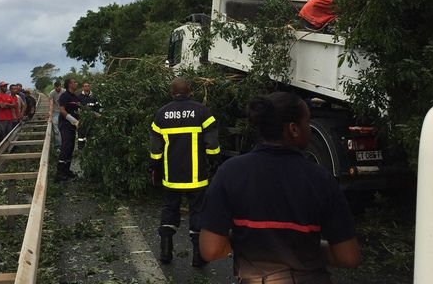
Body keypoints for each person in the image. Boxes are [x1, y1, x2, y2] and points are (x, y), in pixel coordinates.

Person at [199, 92, 360, 283]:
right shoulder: (321, 179)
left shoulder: (230, 172)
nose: (309, 128)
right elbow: (348, 257)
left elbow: (211, 250)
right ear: (293, 128)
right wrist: (303, 250)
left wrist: (248, 241)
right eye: (307, 121)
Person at [149, 77, 220, 266]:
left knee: (170, 209)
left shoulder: (161, 114)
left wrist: (154, 169)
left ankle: (165, 251)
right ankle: (198, 256)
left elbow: (155, 150)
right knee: (198, 212)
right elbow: (212, 145)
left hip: (171, 177)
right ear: (189, 91)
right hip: (197, 177)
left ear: (172, 93)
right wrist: (214, 163)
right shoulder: (202, 111)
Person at [56, 78, 80, 181]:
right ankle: (60, 173)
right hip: (65, 124)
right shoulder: (64, 96)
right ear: (70, 84)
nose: (76, 83)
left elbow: (79, 109)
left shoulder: (74, 96)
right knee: (66, 147)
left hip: (72, 126)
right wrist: (73, 120)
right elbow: (62, 110)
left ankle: (67, 171)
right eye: (75, 82)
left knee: (71, 147)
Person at [77, 81, 102, 149]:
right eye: (85, 86)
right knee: (81, 134)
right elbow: (77, 108)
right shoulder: (79, 97)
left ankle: (90, 148)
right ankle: (80, 148)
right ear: (83, 87)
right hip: (82, 119)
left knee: (91, 133)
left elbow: (98, 107)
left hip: (92, 119)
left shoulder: (94, 96)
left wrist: (98, 114)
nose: (86, 87)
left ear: (90, 87)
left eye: (88, 86)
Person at [48, 81, 63, 150]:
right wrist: (51, 117)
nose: (57, 89)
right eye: (56, 88)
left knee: (64, 129)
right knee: (56, 130)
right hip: (56, 112)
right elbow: (51, 104)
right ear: (54, 87)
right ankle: (58, 146)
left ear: (61, 86)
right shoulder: (52, 93)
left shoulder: (64, 92)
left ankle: (65, 144)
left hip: (64, 112)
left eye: (58, 87)